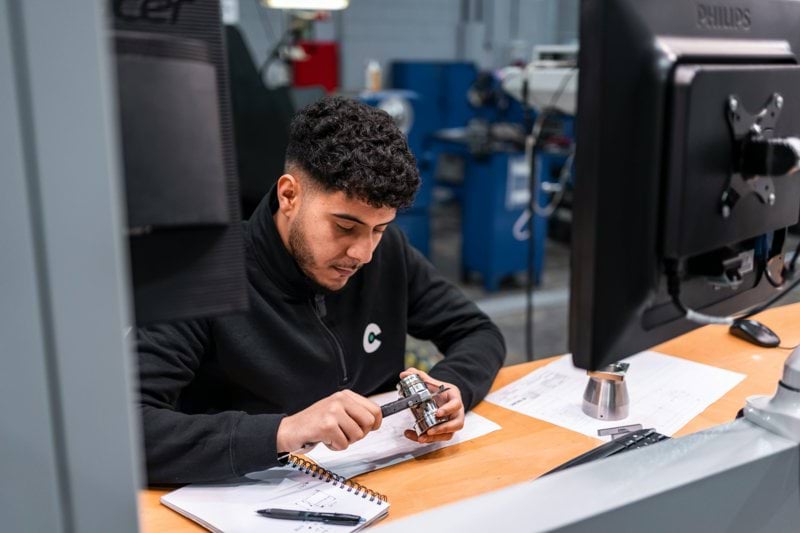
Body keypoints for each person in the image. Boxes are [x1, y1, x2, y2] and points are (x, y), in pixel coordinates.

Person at [137, 96, 506, 484]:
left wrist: (453, 388)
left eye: (379, 229)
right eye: (345, 227)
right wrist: (285, 431)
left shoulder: (387, 253)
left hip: (386, 484)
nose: (363, 253)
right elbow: (127, 429)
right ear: (289, 196)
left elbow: (478, 332)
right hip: (252, 500)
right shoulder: (202, 273)